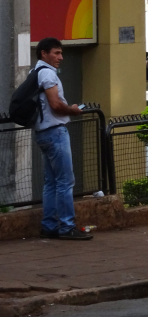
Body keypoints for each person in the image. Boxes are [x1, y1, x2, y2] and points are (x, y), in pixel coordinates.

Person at [34, 38, 92, 241]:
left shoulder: (36, 72)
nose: (61, 57)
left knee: (51, 182)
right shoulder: (48, 74)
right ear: (44, 53)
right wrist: (74, 111)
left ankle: (49, 225)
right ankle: (67, 226)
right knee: (65, 182)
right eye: (56, 53)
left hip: (43, 132)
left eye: (61, 53)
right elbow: (56, 105)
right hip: (55, 132)